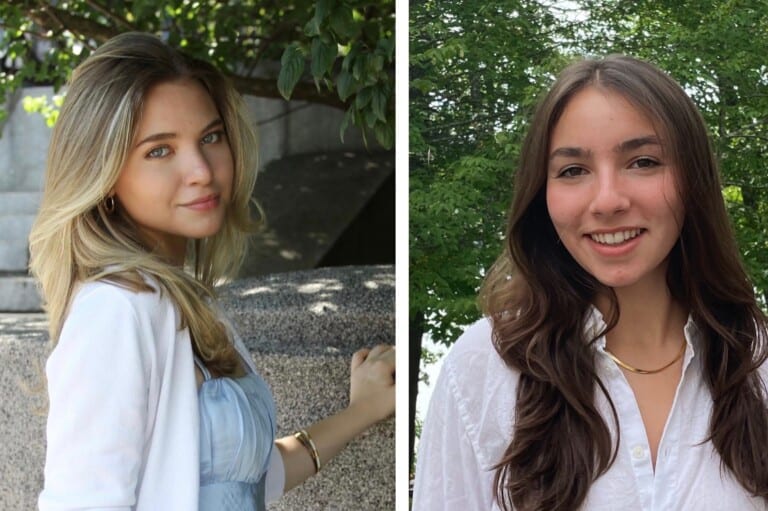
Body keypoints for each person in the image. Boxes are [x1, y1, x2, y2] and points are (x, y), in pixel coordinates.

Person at [29, 31, 395, 511]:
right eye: (159, 150)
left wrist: (364, 409)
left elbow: (247, 479)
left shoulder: (187, 302)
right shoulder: (116, 310)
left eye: (210, 136)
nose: (201, 168)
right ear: (105, 175)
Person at [412, 55, 768, 511]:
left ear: (692, 180)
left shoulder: (757, 362)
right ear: (543, 194)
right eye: (573, 170)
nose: (607, 201)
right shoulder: (484, 370)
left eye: (642, 161)